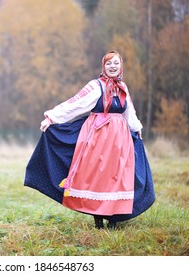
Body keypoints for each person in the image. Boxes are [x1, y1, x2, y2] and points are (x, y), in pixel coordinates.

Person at [24, 50, 155, 229]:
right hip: (98, 138)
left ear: (121, 66)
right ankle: (98, 219)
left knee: (117, 177)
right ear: (103, 66)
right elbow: (76, 104)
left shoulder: (123, 88)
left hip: (119, 141)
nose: (112, 66)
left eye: (116, 63)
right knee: (98, 176)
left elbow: (128, 112)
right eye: (109, 63)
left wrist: (137, 128)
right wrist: (51, 118)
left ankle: (113, 219)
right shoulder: (96, 86)